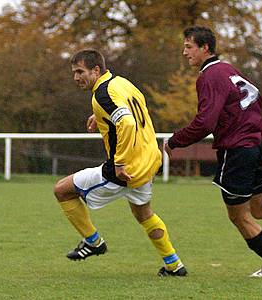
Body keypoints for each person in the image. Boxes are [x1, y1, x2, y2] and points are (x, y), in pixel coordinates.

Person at [54, 49, 187, 276]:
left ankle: (93, 243)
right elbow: (136, 106)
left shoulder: (102, 95)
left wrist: (119, 163)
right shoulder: (121, 83)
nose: (76, 77)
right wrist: (101, 116)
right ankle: (174, 265)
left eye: (80, 72)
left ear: (96, 70)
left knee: (62, 191)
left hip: (126, 169)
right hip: (148, 162)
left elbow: (126, 122)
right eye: (74, 72)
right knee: (144, 214)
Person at [165, 26, 262, 277]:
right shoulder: (229, 70)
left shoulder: (209, 76)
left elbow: (205, 123)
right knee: (260, 209)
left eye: (188, 46)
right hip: (255, 147)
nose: (184, 52)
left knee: (238, 216)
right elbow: (255, 109)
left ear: (205, 48)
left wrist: (174, 141)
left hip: (237, 152)